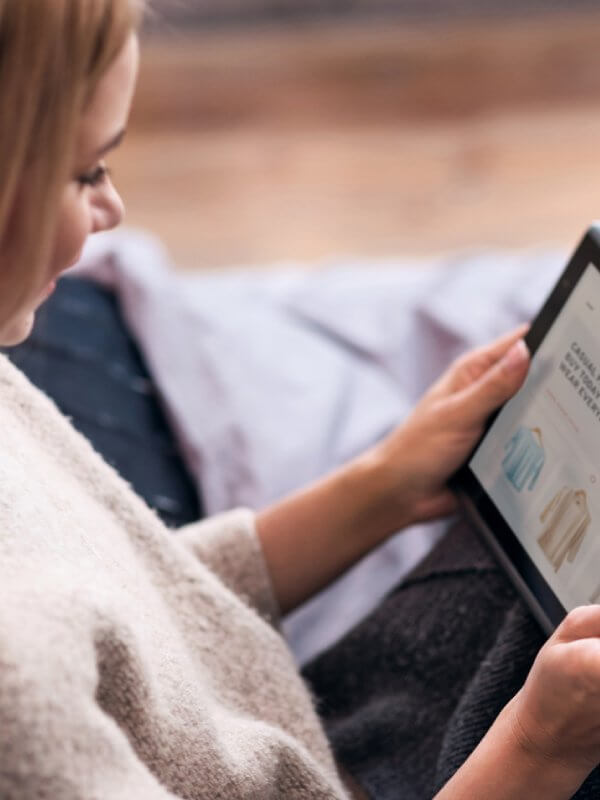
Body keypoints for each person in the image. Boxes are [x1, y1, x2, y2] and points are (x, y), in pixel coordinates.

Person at [1, 2, 600, 798]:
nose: (113, 212)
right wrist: (539, 749)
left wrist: (379, 488)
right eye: (86, 172)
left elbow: (127, 615)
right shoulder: (21, 712)